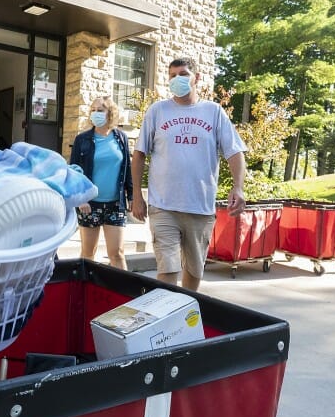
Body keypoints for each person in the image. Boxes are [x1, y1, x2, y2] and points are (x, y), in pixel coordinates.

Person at [130, 57, 247, 291]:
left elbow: (234, 151)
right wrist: (136, 195)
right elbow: (139, 153)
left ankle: (185, 317)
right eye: (172, 75)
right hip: (163, 206)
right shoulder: (158, 111)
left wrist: (238, 186)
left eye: (182, 74)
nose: (176, 79)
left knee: (193, 273)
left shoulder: (213, 112)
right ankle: (166, 317)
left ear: (197, 78)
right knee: (168, 268)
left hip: (199, 207)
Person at [69, 96, 134, 268]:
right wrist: (80, 198)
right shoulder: (82, 140)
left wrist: (133, 196)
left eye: (100, 110)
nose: (96, 113)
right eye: (93, 110)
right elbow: (74, 172)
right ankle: (84, 291)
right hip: (90, 204)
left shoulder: (121, 138)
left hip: (115, 204)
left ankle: (123, 292)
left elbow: (127, 168)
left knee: (117, 253)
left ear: (110, 113)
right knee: (88, 253)